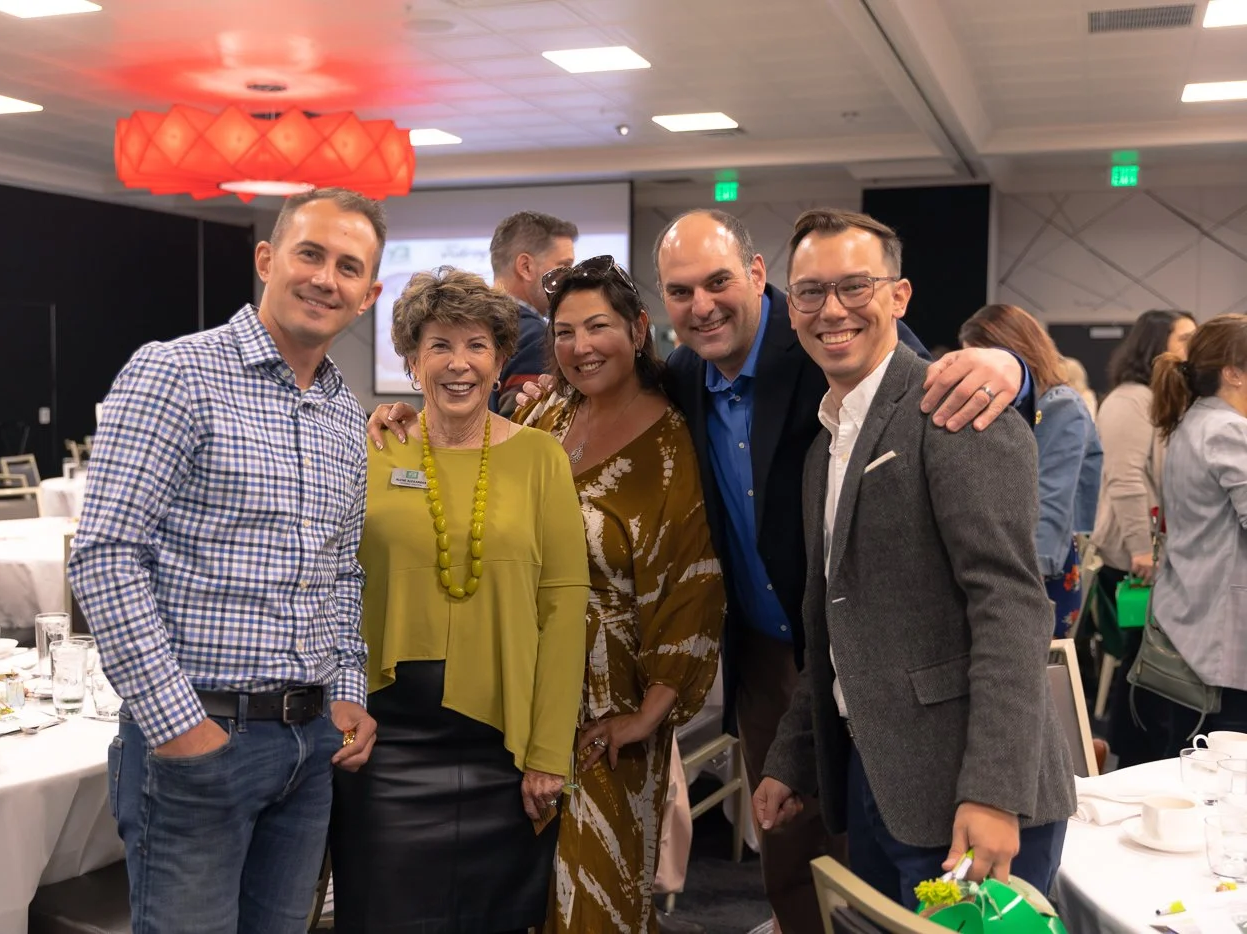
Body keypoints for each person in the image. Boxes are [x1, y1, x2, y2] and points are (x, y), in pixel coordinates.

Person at [374, 208, 1032, 934]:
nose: (701, 305)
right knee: (788, 868)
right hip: (558, 692)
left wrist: (1012, 367)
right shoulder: (583, 408)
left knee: (857, 879)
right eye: (565, 332)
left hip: (763, 673)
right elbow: (466, 479)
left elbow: (915, 381)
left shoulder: (812, 354)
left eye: (717, 283)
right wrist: (401, 422)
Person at [68, 188, 380, 934]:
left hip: (309, 746)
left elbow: (340, 569)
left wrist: (348, 689)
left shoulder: (345, 414)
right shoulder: (176, 373)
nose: (325, 279)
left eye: (348, 267)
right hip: (201, 737)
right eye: (310, 254)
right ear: (267, 259)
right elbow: (105, 555)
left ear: (368, 296)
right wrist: (180, 728)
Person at [752, 208, 1075, 908]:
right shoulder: (824, 447)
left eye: (854, 286)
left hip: (970, 795)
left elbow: (1011, 607)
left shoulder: (954, 409)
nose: (831, 309)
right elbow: (834, 623)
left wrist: (993, 792)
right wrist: (792, 756)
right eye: (809, 291)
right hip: (876, 779)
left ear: (898, 297)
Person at [329, 267, 589, 933]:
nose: (458, 363)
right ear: (412, 360)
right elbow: (328, 586)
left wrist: (548, 753)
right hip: (383, 743)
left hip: (504, 748)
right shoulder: (371, 450)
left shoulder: (541, 458)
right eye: (439, 345)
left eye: (477, 345)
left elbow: (564, 611)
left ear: (501, 360)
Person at [516, 255, 724, 933]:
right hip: (520, 691)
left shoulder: (671, 442)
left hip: (608, 705)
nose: (581, 346)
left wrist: (648, 715)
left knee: (593, 897)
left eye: (598, 326)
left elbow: (694, 586)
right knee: (518, 892)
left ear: (637, 330)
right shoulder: (545, 413)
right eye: (565, 331)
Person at [960, 304, 1103, 637]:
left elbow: (1051, 499)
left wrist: (1028, 583)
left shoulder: (1060, 405)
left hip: (1038, 572)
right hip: (1014, 564)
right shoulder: (1022, 406)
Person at [1093, 309, 1197, 767]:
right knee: (1144, 666)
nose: (1192, 346)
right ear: (1156, 343)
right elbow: (1126, 479)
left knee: (1153, 667)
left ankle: (1147, 756)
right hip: (1135, 558)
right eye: (1184, 337)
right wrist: (1141, 548)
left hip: (1161, 556)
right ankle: (1134, 761)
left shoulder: (1163, 398)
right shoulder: (1129, 400)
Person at [1147, 314, 1247, 747]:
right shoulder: (1229, 430)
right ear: (1233, 372)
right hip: (1220, 639)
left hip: (1192, 622)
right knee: (1224, 768)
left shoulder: (1195, 421)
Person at [487, 211, 577, 413]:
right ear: (526, 267)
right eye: (564, 266)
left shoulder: (470, 325)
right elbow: (523, 425)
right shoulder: (534, 336)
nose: (571, 278)